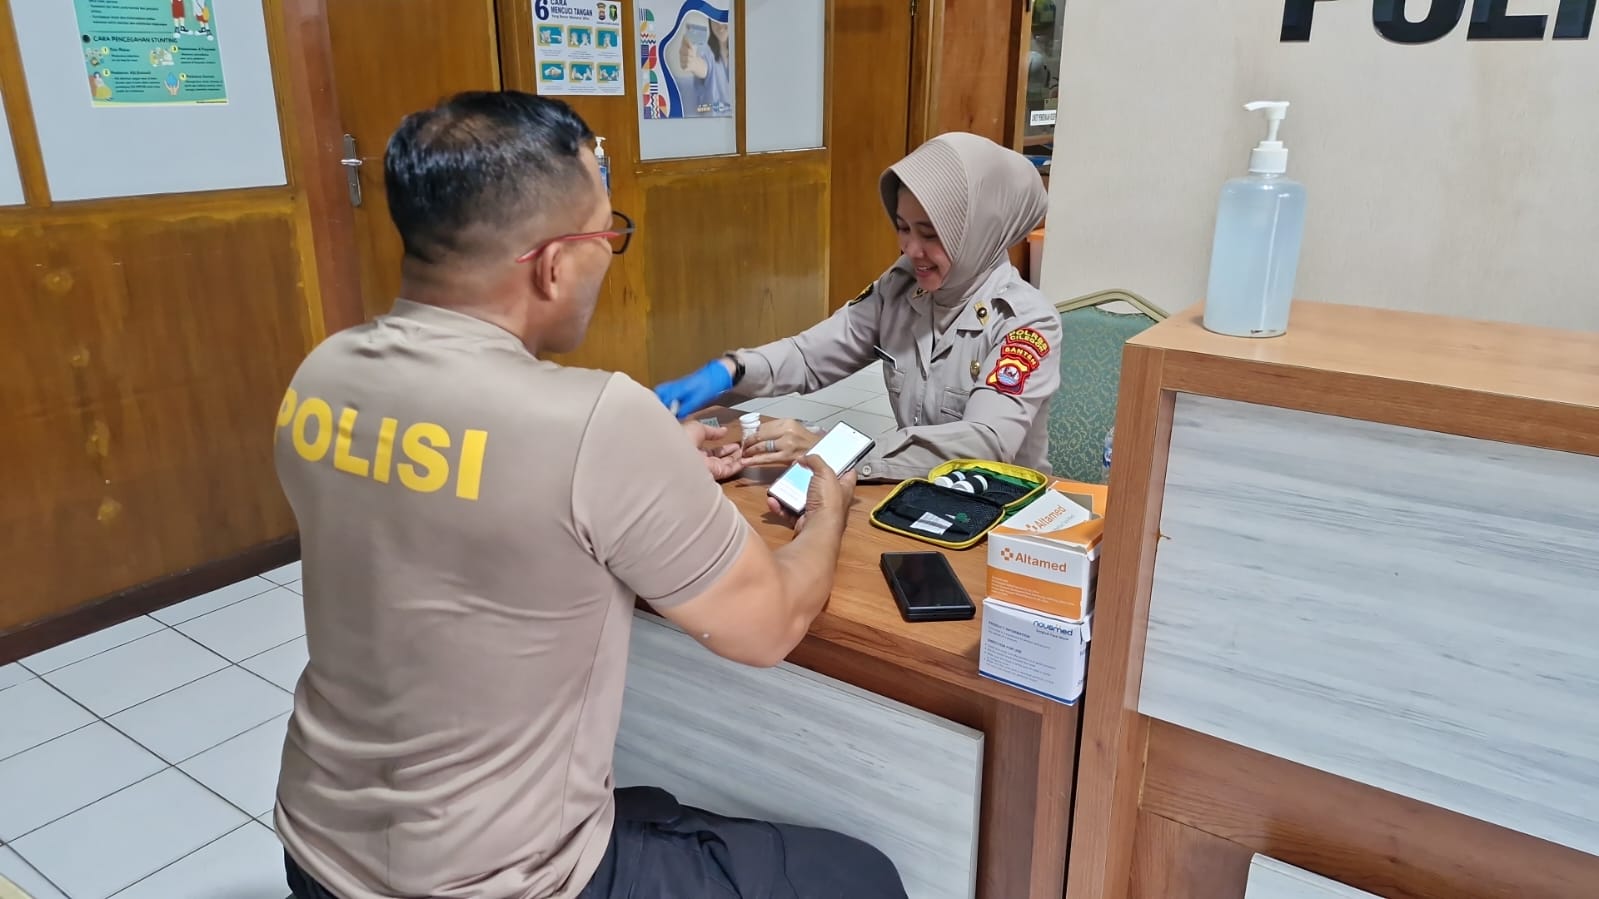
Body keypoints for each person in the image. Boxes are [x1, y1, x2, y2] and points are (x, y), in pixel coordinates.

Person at [271, 91, 906, 899]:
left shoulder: (323, 373)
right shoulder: (597, 420)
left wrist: (654, 465)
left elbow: (455, 503)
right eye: (608, 235)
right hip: (498, 884)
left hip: (315, 846)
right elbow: (767, 625)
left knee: (658, 802)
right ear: (553, 263)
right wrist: (829, 505)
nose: (609, 256)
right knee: (860, 877)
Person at [652, 132, 1060, 483]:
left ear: (981, 233)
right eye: (902, 228)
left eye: (930, 234)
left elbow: (986, 443)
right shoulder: (901, 288)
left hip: (1004, 512)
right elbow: (810, 356)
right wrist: (730, 370)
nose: (910, 249)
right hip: (911, 493)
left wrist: (831, 449)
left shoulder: (1025, 322)